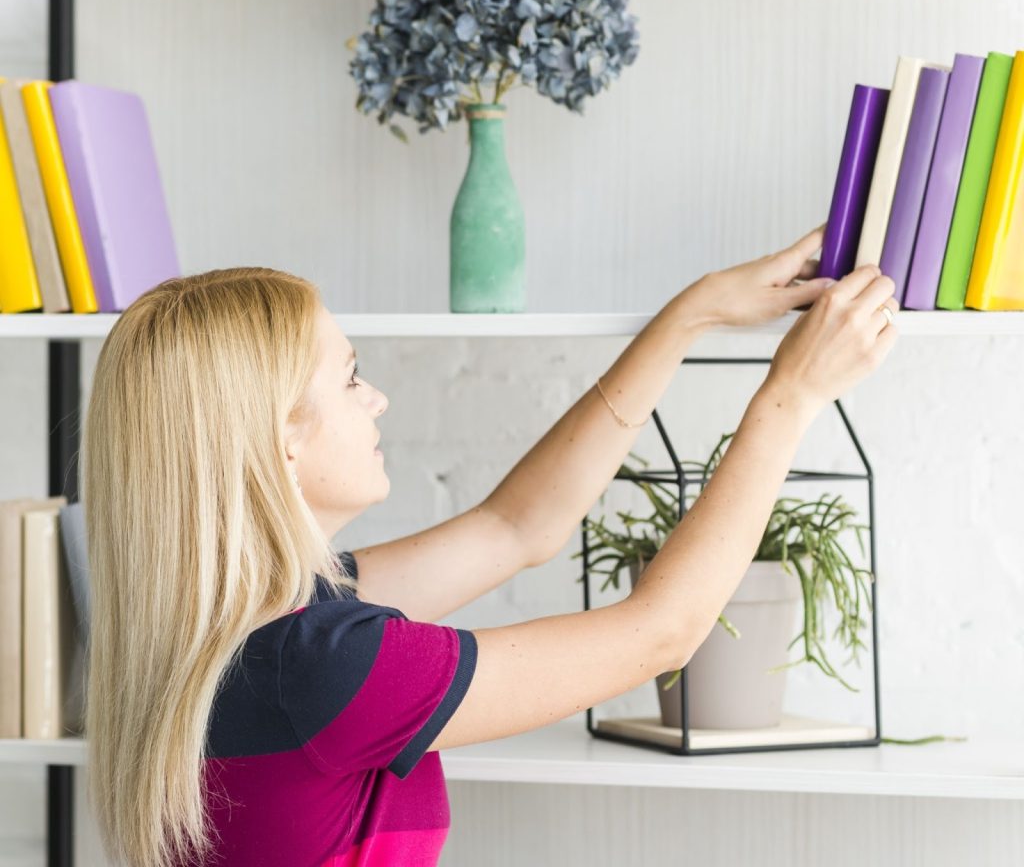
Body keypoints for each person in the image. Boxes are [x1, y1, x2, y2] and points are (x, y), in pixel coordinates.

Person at [81, 226, 898, 867]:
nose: (379, 399)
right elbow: (662, 633)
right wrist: (792, 396)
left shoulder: (252, 631)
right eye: (351, 378)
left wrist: (694, 314)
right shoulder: (325, 665)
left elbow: (519, 526)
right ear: (276, 439)